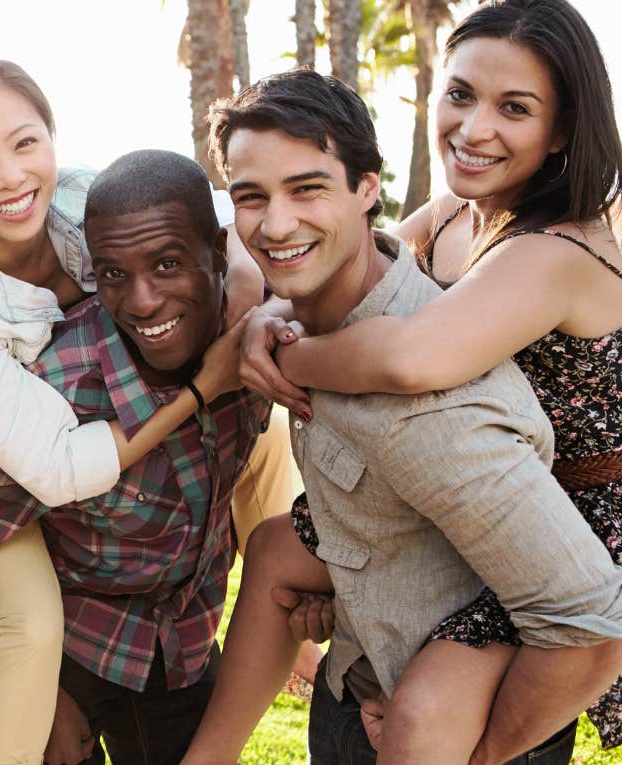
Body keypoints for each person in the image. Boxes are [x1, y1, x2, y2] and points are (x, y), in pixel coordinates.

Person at [182, 66, 622, 765]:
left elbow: (593, 622)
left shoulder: (434, 401)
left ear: (367, 188)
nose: (274, 222)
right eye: (250, 196)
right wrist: (271, 314)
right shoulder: (432, 231)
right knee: (272, 549)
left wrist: (483, 754)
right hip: (358, 675)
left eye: (306, 189)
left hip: (455, 720)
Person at [0, 51, 288, 764]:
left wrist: (249, 297)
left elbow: (219, 219)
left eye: (24, 142)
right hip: (34, 490)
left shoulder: (83, 199)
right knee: (31, 631)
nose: (10, 176)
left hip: (182, 629)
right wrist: (202, 386)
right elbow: (45, 470)